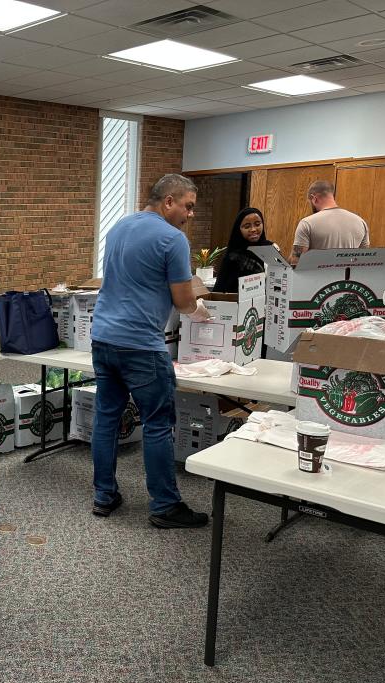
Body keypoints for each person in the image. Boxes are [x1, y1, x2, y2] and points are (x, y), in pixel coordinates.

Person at [89, 173, 212, 529]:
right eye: (187, 206)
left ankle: (104, 495)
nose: (190, 215)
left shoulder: (118, 228)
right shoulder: (173, 239)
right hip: (141, 345)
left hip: (104, 338)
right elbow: (183, 299)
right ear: (168, 201)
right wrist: (199, 311)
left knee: (107, 418)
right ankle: (165, 506)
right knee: (158, 423)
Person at [289, 180, 369, 265]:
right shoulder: (360, 222)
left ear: (314, 198)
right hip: (347, 277)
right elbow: (363, 258)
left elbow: (296, 261)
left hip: (316, 277)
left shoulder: (307, 223)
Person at [213, 207, 274, 293]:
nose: (253, 229)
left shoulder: (271, 249)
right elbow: (220, 289)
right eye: (247, 226)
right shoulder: (232, 256)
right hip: (237, 303)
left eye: (257, 224)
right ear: (239, 229)